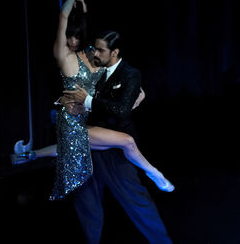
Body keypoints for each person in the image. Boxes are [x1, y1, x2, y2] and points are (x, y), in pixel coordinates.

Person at [11, 0, 174, 201]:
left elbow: (112, 78)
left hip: (86, 119)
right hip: (72, 121)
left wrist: (134, 97)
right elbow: (63, 17)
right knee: (127, 142)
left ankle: (27, 155)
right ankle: (156, 174)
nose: (72, 41)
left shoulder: (90, 55)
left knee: (81, 146)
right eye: (69, 36)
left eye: (77, 36)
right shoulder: (63, 55)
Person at [61, 28, 173, 242]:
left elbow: (120, 111)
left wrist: (89, 102)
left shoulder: (130, 74)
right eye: (95, 49)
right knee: (86, 201)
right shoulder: (96, 71)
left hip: (115, 149)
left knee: (136, 201)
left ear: (115, 52)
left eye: (101, 50)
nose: (95, 54)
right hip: (92, 145)